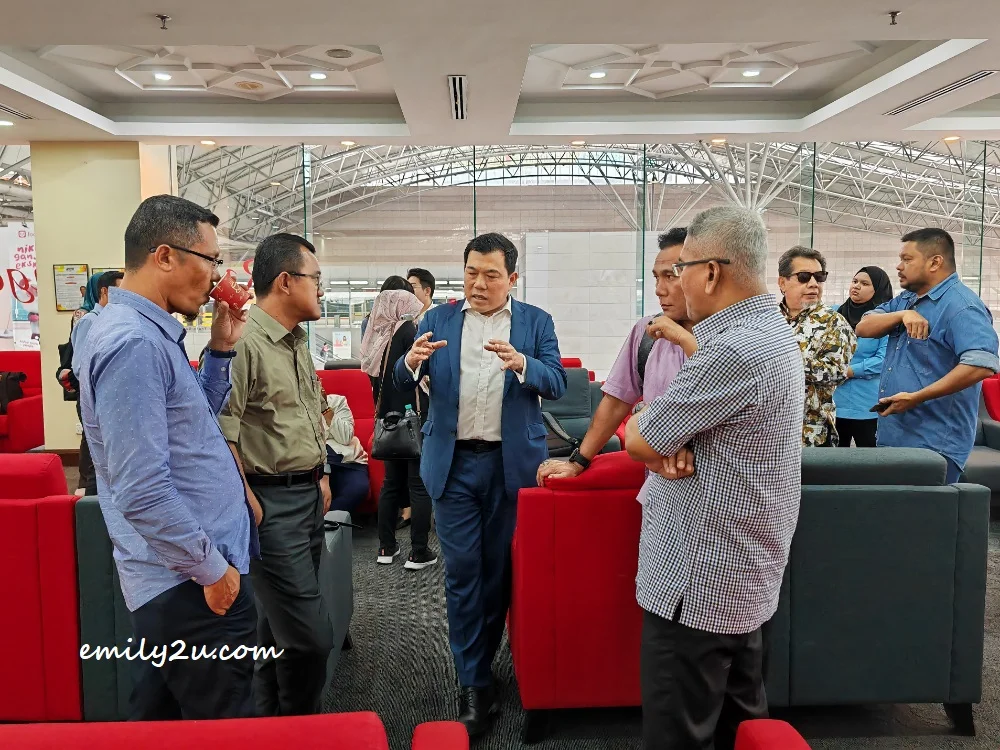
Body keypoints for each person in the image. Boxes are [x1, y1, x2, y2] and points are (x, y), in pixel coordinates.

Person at [623, 206, 804, 750]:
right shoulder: (771, 332)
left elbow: (638, 436)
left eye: (680, 269)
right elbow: (668, 437)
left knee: (681, 731)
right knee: (740, 723)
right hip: (744, 572)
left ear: (711, 272)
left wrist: (656, 439)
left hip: (696, 580)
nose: (674, 282)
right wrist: (667, 442)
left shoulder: (730, 349)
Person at [77, 194, 257, 720]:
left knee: (159, 720)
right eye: (210, 260)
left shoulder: (142, 332)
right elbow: (142, 489)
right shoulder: (133, 342)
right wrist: (212, 572)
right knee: (225, 723)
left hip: (179, 575)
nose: (215, 277)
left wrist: (221, 351)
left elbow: (190, 424)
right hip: (187, 582)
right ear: (165, 256)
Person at [394, 232, 566, 737]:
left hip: (510, 466)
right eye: (472, 272)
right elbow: (400, 386)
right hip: (453, 465)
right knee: (463, 572)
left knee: (498, 574)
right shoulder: (438, 319)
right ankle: (474, 682)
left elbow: (556, 382)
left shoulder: (536, 322)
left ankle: (483, 662)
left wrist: (524, 365)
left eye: (491, 274)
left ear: (512, 278)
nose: (479, 283)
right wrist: (409, 363)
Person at [218, 233, 335, 717]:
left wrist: (321, 473)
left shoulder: (295, 340)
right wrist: (246, 498)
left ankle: (271, 724)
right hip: (271, 504)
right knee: (311, 638)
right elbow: (218, 431)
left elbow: (308, 411)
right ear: (286, 281)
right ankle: (301, 725)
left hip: (307, 495)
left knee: (279, 630)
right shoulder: (244, 343)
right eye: (316, 280)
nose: (321, 291)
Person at [536, 227, 691, 485]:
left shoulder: (731, 339)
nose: (659, 290)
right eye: (656, 278)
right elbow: (616, 402)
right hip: (658, 490)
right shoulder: (648, 332)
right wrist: (578, 461)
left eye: (670, 276)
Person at [856, 228, 1000, 483]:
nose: (899, 267)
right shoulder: (907, 300)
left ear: (935, 262)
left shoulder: (962, 306)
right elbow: (864, 326)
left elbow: (981, 365)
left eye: (907, 259)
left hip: (934, 445)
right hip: (896, 437)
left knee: (924, 520)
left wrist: (917, 398)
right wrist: (901, 315)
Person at [360, 288, 436, 570]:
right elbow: (421, 378)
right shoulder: (408, 331)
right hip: (412, 420)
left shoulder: (378, 335)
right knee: (418, 485)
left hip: (387, 422)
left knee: (391, 485)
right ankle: (418, 552)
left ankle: (386, 547)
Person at [777, 245, 856, 447]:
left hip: (810, 434)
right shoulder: (769, 320)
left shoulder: (834, 323)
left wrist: (778, 362)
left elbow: (835, 371)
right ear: (782, 282)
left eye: (819, 277)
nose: (813, 284)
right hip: (767, 432)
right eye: (803, 277)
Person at [62, 271, 123, 495]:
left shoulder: (115, 321)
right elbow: (80, 366)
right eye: (119, 292)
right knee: (93, 447)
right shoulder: (89, 321)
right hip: (93, 395)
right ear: (104, 292)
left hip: (109, 396)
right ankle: (88, 499)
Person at [833, 267, 893, 447]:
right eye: (855, 281)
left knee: (869, 463)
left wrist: (851, 371)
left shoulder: (884, 320)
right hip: (834, 403)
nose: (856, 286)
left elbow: (884, 360)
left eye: (865, 283)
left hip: (867, 405)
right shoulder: (834, 315)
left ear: (878, 290)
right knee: (831, 464)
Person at [323, 392, 370, 513]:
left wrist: (325, 409)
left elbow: (345, 437)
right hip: (316, 462)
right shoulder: (294, 408)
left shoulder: (337, 401)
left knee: (358, 488)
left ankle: (328, 522)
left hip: (348, 460)